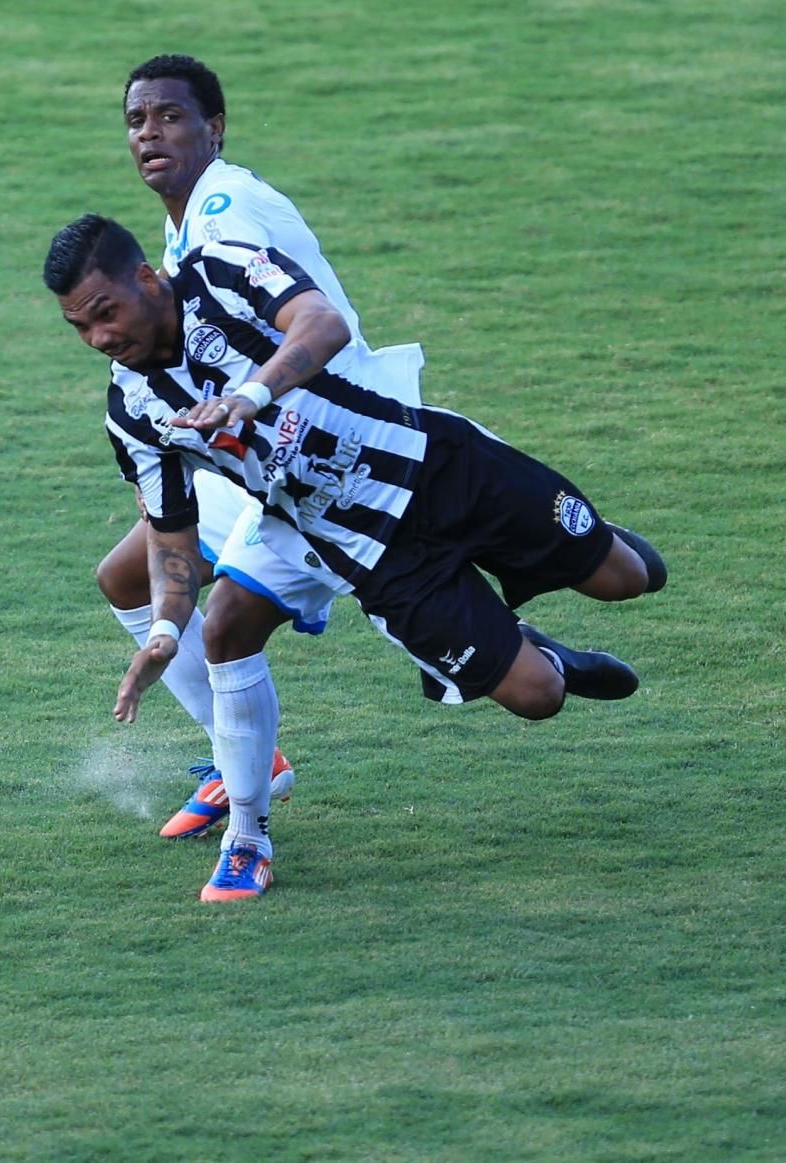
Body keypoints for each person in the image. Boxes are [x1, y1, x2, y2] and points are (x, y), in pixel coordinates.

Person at [43, 214, 667, 901]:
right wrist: (165, 629)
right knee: (538, 697)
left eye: (106, 313)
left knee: (630, 579)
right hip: (375, 556)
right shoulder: (132, 411)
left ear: (146, 277)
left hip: (438, 467)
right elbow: (170, 535)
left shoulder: (221, 271)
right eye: (80, 328)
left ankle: (581, 544)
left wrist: (251, 394)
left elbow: (323, 323)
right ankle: (249, 837)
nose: (101, 338)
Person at [100, 54, 427, 841]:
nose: (150, 132)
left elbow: (289, 331)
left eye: (171, 116)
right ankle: (243, 755)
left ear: (214, 128)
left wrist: (232, 403)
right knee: (128, 579)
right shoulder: (182, 222)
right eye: (137, 120)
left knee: (235, 620)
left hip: (334, 445)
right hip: (252, 449)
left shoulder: (226, 210)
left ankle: (250, 824)